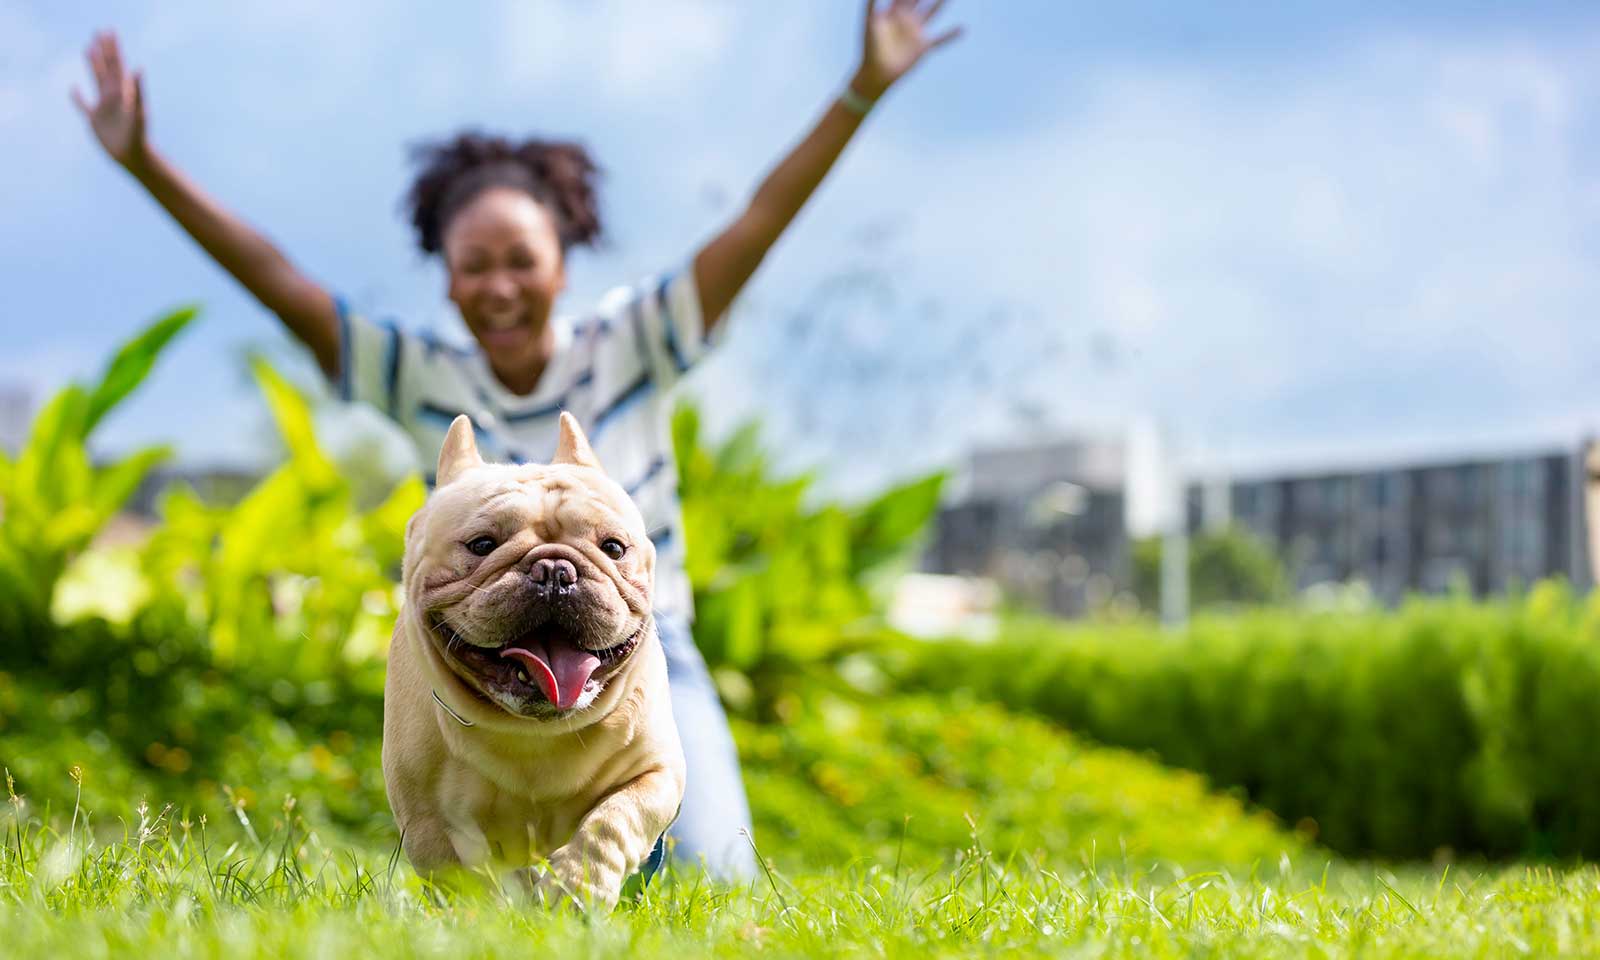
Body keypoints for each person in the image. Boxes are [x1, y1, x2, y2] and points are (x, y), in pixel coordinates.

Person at [75, 1, 961, 879]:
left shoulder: (632, 343)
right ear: (448, 279)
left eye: (521, 260)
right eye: (475, 267)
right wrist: (145, 165)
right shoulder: (420, 374)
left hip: (649, 649)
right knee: (490, 881)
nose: (500, 286)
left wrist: (862, 89)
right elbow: (278, 283)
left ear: (563, 262)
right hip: (470, 657)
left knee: (709, 874)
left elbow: (760, 222)